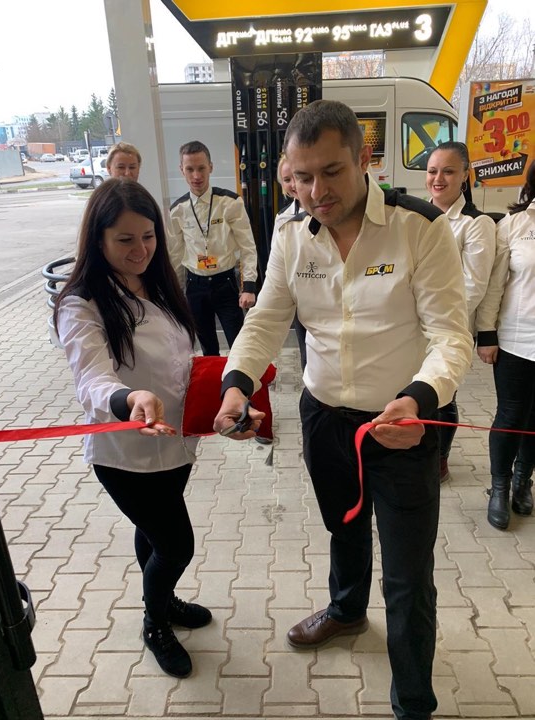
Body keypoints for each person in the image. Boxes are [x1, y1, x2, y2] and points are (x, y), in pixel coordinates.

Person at [213, 100, 473, 720]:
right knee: (343, 526)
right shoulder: (289, 236)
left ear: (364, 158)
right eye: (302, 178)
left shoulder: (418, 228)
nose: (316, 192)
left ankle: (414, 702)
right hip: (325, 419)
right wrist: (236, 384)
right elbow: (266, 321)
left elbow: (451, 338)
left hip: (402, 424)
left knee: (408, 575)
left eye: (331, 172)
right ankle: (347, 609)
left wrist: (420, 398)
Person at [54, 178, 211, 679]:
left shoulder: (159, 284)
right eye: (125, 239)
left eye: (148, 236)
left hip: (174, 443)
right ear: (98, 240)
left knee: (154, 533)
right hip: (124, 452)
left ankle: (162, 600)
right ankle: (154, 623)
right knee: (177, 544)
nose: (140, 249)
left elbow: (182, 355)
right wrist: (129, 399)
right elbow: (92, 378)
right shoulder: (82, 303)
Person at [426, 141, 496, 482]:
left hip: (447, 328)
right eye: (432, 171)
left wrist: (434, 317)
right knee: (413, 392)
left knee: (441, 394)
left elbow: (474, 285)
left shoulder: (475, 224)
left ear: (465, 176)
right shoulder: (413, 215)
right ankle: (417, 454)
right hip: (408, 324)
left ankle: (439, 459)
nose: (438, 179)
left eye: (448, 171)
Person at [476, 160, 535, 530]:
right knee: (511, 415)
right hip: (517, 339)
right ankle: (499, 487)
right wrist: (486, 333)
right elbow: (494, 285)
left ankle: (522, 481)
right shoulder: (514, 225)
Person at [169, 140, 258, 356]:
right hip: (195, 286)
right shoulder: (177, 210)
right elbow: (175, 254)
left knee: (239, 346)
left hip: (225, 283)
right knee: (208, 349)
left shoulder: (230, 202)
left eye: (201, 168)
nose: (196, 175)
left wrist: (249, 286)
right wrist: (175, 293)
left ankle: (239, 378)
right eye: (190, 169)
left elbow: (247, 246)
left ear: (211, 167)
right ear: (182, 170)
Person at [274, 155, 306, 370]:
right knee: (306, 349)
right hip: (301, 294)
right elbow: (279, 261)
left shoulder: (328, 213)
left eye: (297, 176)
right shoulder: (283, 218)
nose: (293, 184)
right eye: (286, 180)